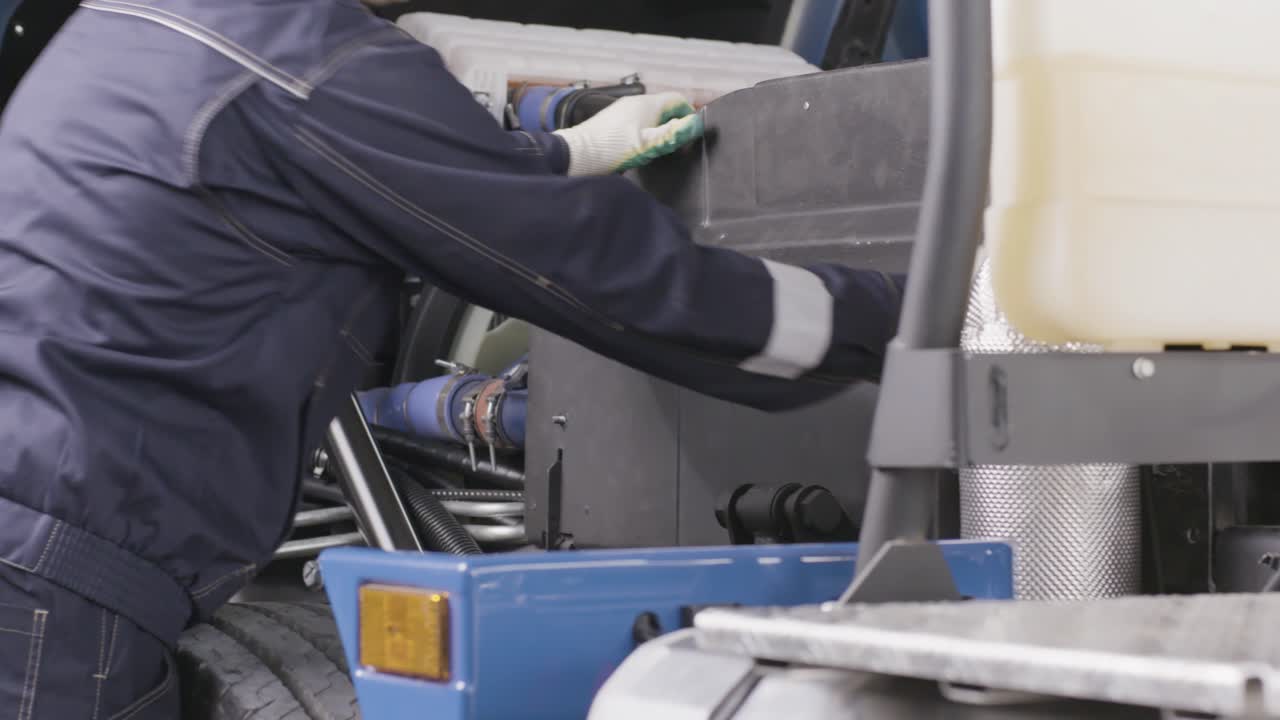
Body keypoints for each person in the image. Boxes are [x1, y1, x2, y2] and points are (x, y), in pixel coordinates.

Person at [0, 0, 904, 717]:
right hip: (57, 603)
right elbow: (597, 272)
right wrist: (907, 313)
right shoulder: (314, 58)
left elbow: (330, 171)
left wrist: (562, 151)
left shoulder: (127, 23)